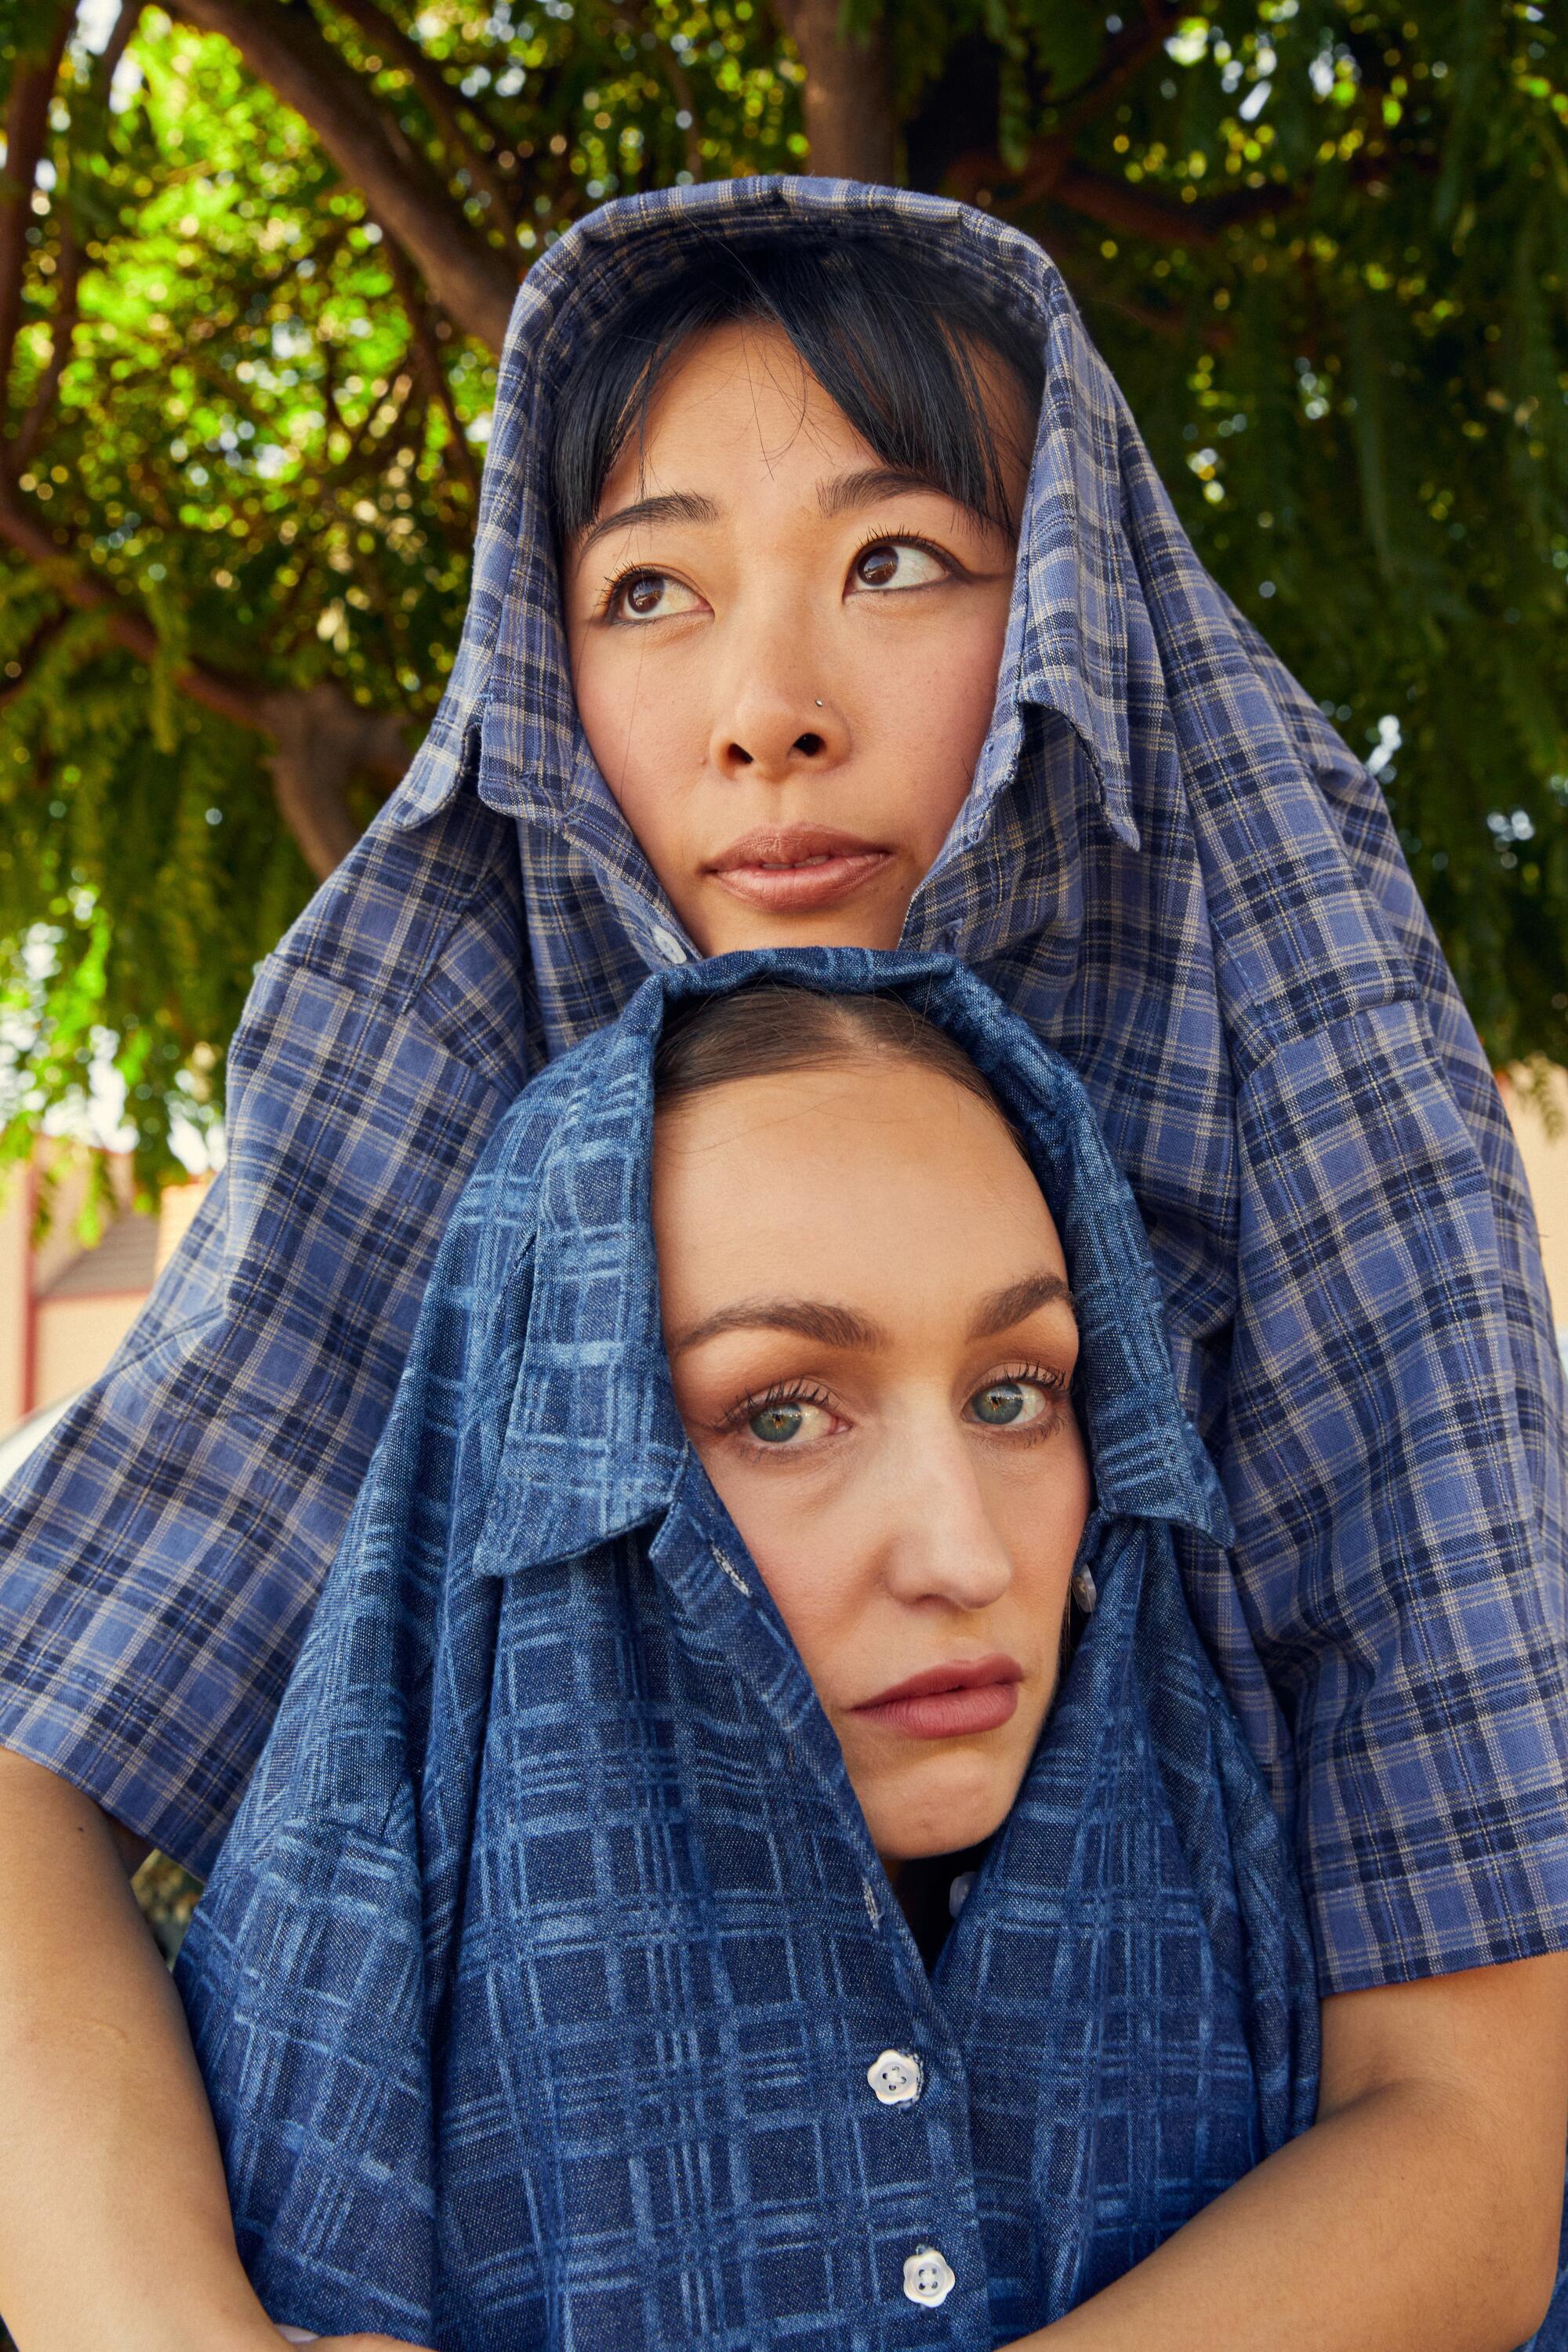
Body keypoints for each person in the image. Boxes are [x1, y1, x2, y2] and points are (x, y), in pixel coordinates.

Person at [0, 177, 1566, 2348]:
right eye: (651, 589)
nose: (765, 713)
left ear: (1072, 628)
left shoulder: (1300, 1060)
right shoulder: (450, 1025)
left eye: (898, 561)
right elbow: (34, 1761)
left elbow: (1473, 2133)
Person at [170, 957, 1552, 2350]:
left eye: (1016, 1395)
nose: (965, 1555)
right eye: (779, 1417)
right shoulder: (202, 2200)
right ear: (555, 1476)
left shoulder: (1307, 1984)